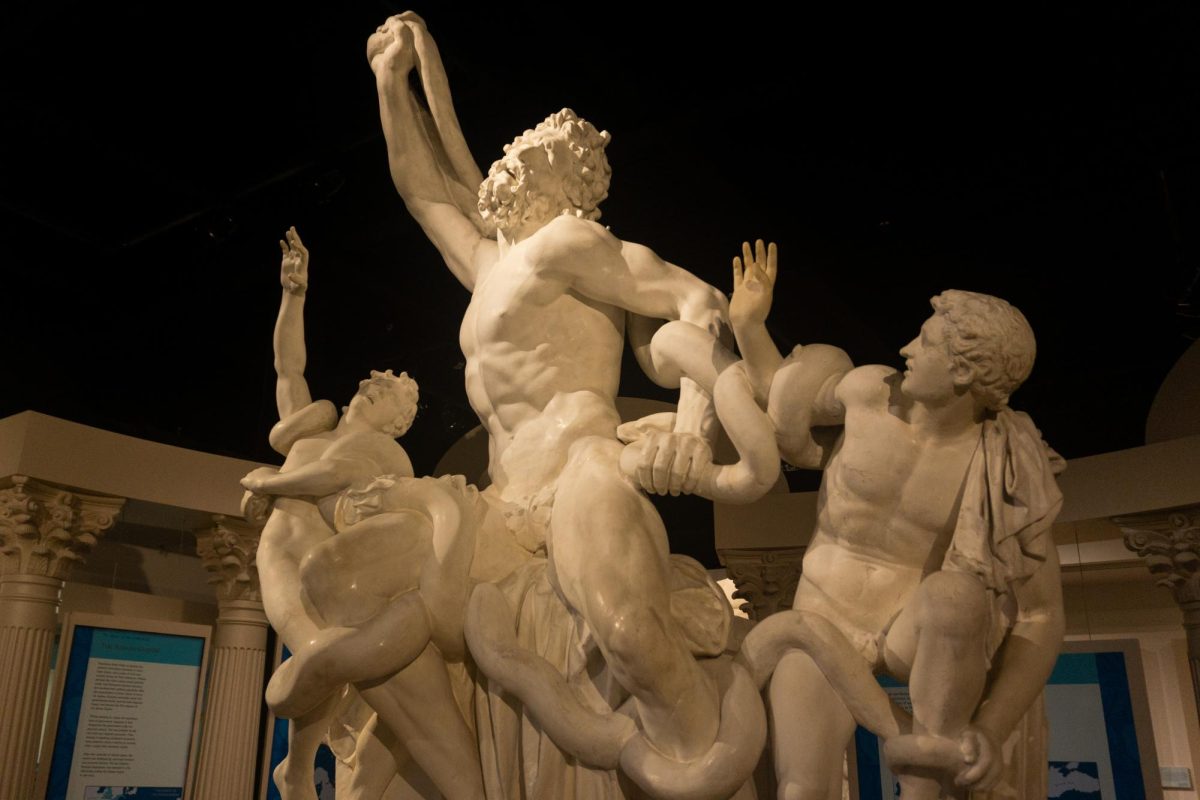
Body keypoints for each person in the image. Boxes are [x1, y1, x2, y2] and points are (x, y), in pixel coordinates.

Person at [366, 13, 761, 793]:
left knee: (627, 635)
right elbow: (422, 190)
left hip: (579, 468)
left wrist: (689, 429)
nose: (504, 162)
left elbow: (698, 301)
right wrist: (388, 81)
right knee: (381, 626)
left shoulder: (569, 244)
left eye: (525, 151)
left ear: (560, 177)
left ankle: (700, 762)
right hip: (500, 501)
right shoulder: (486, 269)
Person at [645, 241, 1067, 799]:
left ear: (966, 372)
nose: (906, 347)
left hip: (909, 635)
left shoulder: (1008, 463)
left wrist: (991, 728)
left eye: (928, 343)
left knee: (956, 596)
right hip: (823, 618)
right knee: (802, 788)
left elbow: (1041, 617)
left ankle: (930, 779)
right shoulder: (871, 392)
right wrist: (749, 326)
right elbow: (780, 398)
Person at [245, 228, 484, 800]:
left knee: (326, 665)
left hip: (321, 563)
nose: (372, 385)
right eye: (374, 382)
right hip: (278, 555)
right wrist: (294, 295)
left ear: (400, 422)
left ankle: (306, 770)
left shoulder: (388, 454)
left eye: (388, 393)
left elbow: (336, 481)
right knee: (319, 658)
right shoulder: (315, 428)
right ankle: (299, 768)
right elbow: (287, 370)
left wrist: (270, 481)